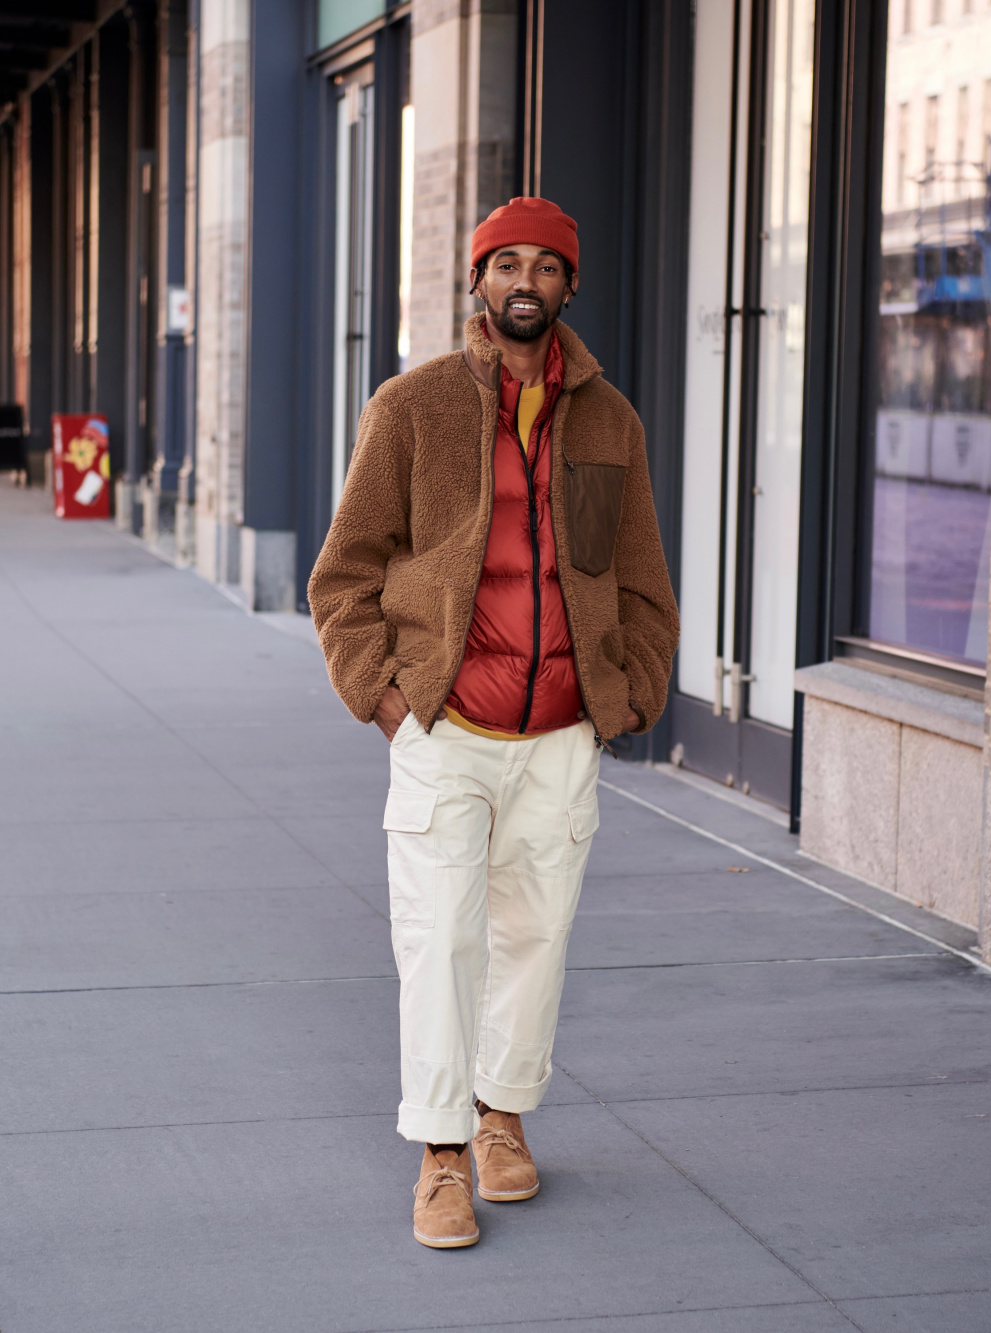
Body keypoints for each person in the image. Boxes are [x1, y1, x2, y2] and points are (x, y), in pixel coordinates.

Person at [309, 196, 679, 1249]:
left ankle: (500, 1117)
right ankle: (437, 1152)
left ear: (569, 285)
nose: (525, 281)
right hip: (446, 730)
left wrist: (633, 685)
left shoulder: (609, 420)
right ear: (476, 283)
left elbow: (641, 575)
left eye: (545, 266)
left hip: (561, 734)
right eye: (504, 263)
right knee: (439, 941)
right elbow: (344, 573)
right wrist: (385, 698)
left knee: (534, 936)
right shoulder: (411, 406)